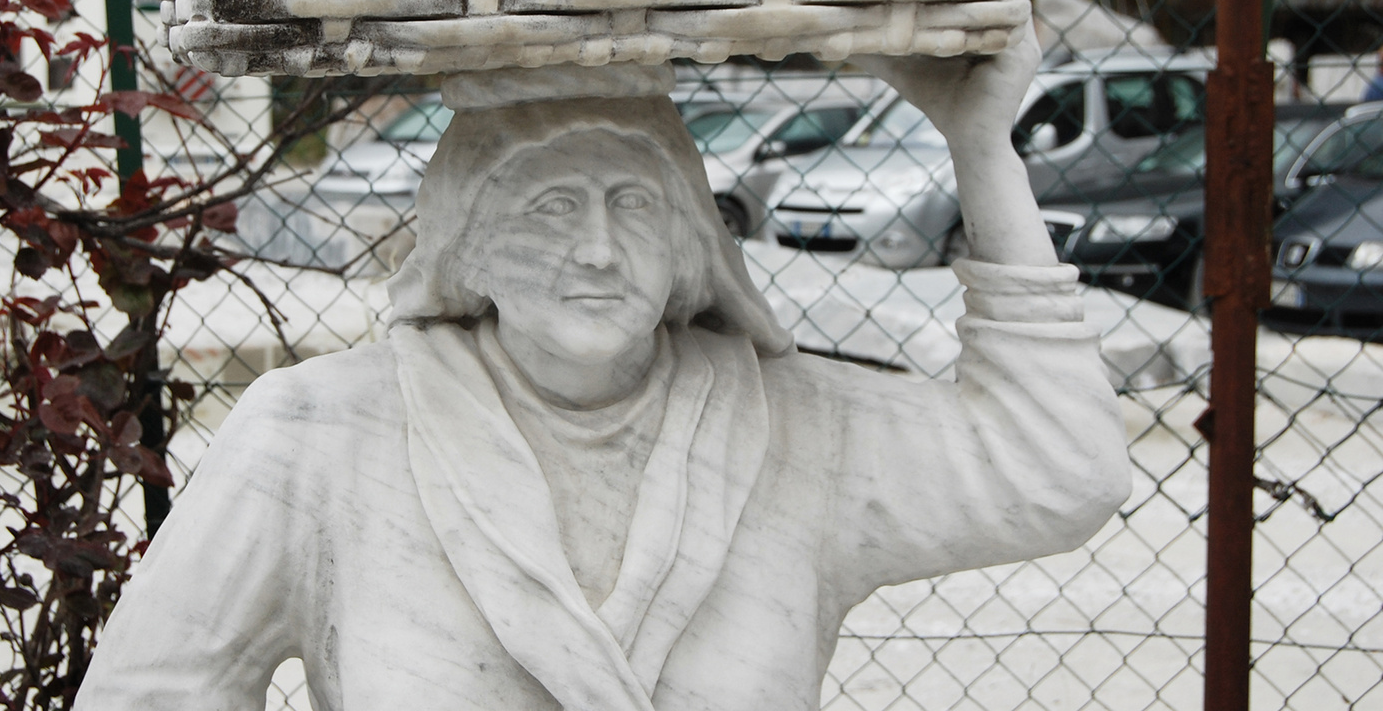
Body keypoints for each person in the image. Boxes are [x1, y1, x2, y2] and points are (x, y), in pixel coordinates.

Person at [74, 37, 1130, 711]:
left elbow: (1053, 471)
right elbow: (154, 691)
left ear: (687, 246)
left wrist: (979, 145)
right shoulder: (318, 437)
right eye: (547, 207)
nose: (595, 249)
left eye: (631, 205)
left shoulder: (796, 426)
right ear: (468, 245)